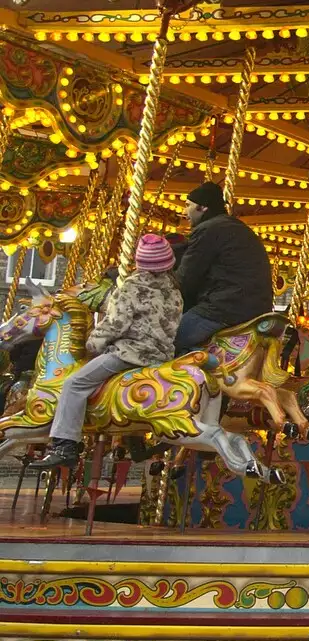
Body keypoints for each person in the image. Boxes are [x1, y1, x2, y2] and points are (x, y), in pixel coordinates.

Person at [36, 236, 184, 469]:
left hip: (129, 354)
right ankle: (133, 442)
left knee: (74, 383)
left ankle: (65, 446)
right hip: (162, 355)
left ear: (140, 262)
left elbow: (116, 323)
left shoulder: (134, 286)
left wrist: (93, 343)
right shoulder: (174, 290)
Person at [174, 181, 274, 354]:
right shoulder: (236, 228)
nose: (185, 212)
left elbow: (186, 278)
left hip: (225, 307)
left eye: (188, 205)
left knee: (164, 340)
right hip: (256, 308)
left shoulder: (208, 230)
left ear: (203, 207)